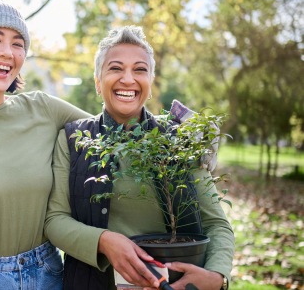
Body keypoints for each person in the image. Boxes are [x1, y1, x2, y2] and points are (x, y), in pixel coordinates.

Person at [0, 0, 214, 289]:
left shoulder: (43, 108)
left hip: (51, 274)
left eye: (18, 43)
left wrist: (181, 132)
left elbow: (118, 127)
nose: (7, 52)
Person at [44, 26, 235, 290]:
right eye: (115, 68)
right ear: (98, 82)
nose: (128, 79)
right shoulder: (74, 139)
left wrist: (217, 276)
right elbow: (55, 220)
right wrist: (103, 241)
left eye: (139, 70)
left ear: (151, 83)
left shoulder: (180, 141)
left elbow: (216, 223)